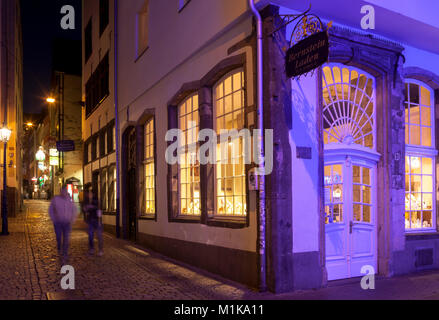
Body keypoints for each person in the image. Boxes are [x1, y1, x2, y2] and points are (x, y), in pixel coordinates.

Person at [49, 186, 78, 261]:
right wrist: (54, 219)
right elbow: (51, 209)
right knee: (58, 237)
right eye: (62, 191)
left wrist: (72, 219)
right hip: (58, 223)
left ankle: (65, 253)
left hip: (67, 223)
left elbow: (74, 210)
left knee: (66, 238)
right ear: (60, 191)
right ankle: (59, 248)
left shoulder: (69, 200)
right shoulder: (56, 199)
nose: (64, 193)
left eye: (65, 191)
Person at [83, 189, 103, 256]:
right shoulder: (86, 201)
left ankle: (100, 250)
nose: (89, 195)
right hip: (90, 221)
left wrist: (100, 221)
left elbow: (99, 210)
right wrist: (85, 209)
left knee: (99, 236)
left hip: (96, 220)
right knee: (90, 236)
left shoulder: (96, 200)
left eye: (90, 193)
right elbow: (85, 210)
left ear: (93, 194)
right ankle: (91, 249)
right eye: (89, 193)